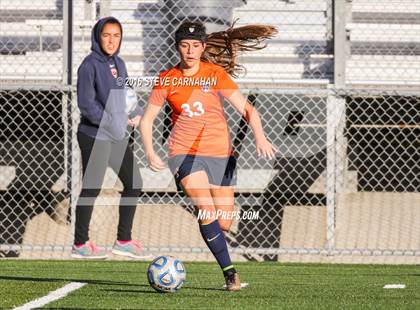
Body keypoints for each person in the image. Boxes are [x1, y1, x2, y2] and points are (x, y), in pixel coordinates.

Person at [140, 21, 277, 290]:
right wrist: (150, 151)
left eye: (195, 45)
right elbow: (147, 121)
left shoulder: (215, 74)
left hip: (221, 154)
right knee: (206, 208)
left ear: (203, 47)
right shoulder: (167, 79)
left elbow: (248, 110)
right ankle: (230, 273)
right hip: (184, 153)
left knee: (223, 221)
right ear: (177, 47)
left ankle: (212, 225)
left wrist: (260, 136)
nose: (189, 51)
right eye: (184, 45)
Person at [72, 16, 144, 259]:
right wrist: (112, 122)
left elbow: (126, 94)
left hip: (115, 135)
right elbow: (86, 104)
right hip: (93, 135)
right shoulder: (89, 65)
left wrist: (134, 112)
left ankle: (123, 240)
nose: (112, 40)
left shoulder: (119, 64)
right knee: (91, 188)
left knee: (134, 182)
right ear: (98, 36)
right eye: (107, 35)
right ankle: (80, 244)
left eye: (116, 35)